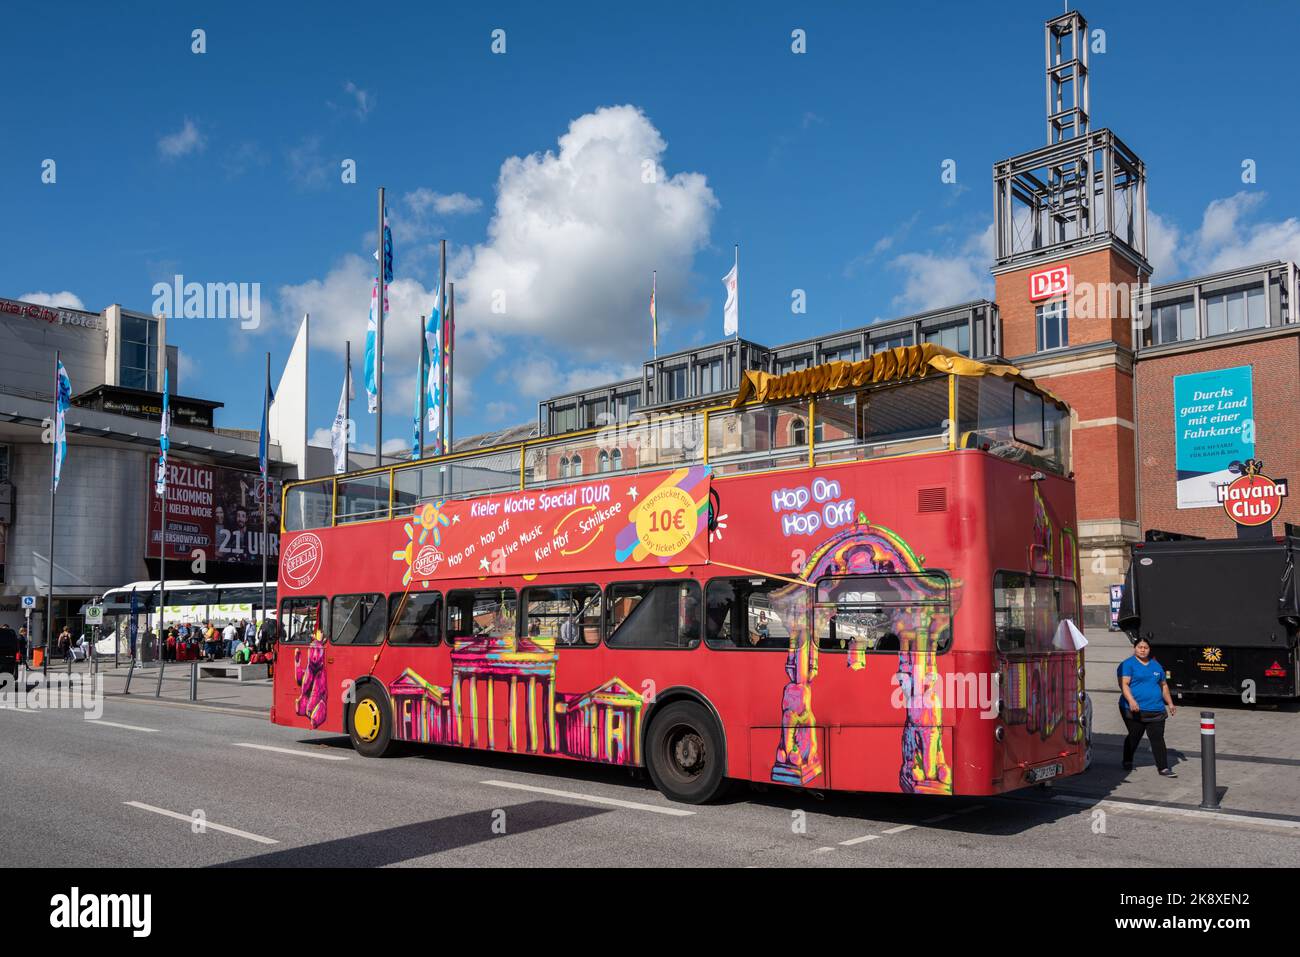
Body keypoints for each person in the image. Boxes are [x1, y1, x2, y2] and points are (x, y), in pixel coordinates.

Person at [1117, 637, 1178, 777]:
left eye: (1146, 648)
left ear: (1149, 649)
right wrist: (1131, 701)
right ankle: (1127, 759)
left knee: (1157, 738)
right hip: (1134, 709)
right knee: (1135, 735)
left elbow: (1164, 686)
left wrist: (1170, 703)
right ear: (1135, 648)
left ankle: (1163, 768)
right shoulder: (1127, 664)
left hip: (1156, 709)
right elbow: (1124, 684)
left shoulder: (1156, 665)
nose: (1143, 650)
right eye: (1140, 647)